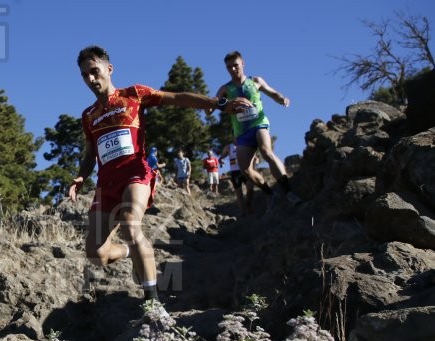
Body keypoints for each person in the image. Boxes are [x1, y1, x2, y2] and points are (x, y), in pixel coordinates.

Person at [68, 45, 248, 302]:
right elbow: (89, 154)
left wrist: (219, 103)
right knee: (97, 254)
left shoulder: (134, 94)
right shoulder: (88, 116)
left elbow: (176, 98)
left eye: (95, 72)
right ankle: (132, 253)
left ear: (109, 69)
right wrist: (80, 177)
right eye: (85, 75)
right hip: (106, 182)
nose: (91, 79)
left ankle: (152, 302)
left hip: (135, 171)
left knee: (131, 223)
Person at [214, 51, 301, 209]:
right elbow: (211, 106)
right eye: (229, 67)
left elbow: (272, 92)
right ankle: (270, 193)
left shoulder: (255, 81)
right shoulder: (225, 89)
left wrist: (281, 98)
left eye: (235, 65)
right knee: (245, 170)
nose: (233, 69)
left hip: (259, 123)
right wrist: (223, 104)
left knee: (266, 151)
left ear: (243, 64)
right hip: (241, 132)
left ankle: (289, 192)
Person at [220, 141, 255, 215]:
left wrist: (255, 159)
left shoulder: (245, 144)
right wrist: (221, 160)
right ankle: (243, 214)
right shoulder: (228, 147)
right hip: (235, 172)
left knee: (251, 187)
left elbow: (252, 153)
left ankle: (248, 203)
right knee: (239, 194)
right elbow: (221, 157)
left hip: (245, 171)